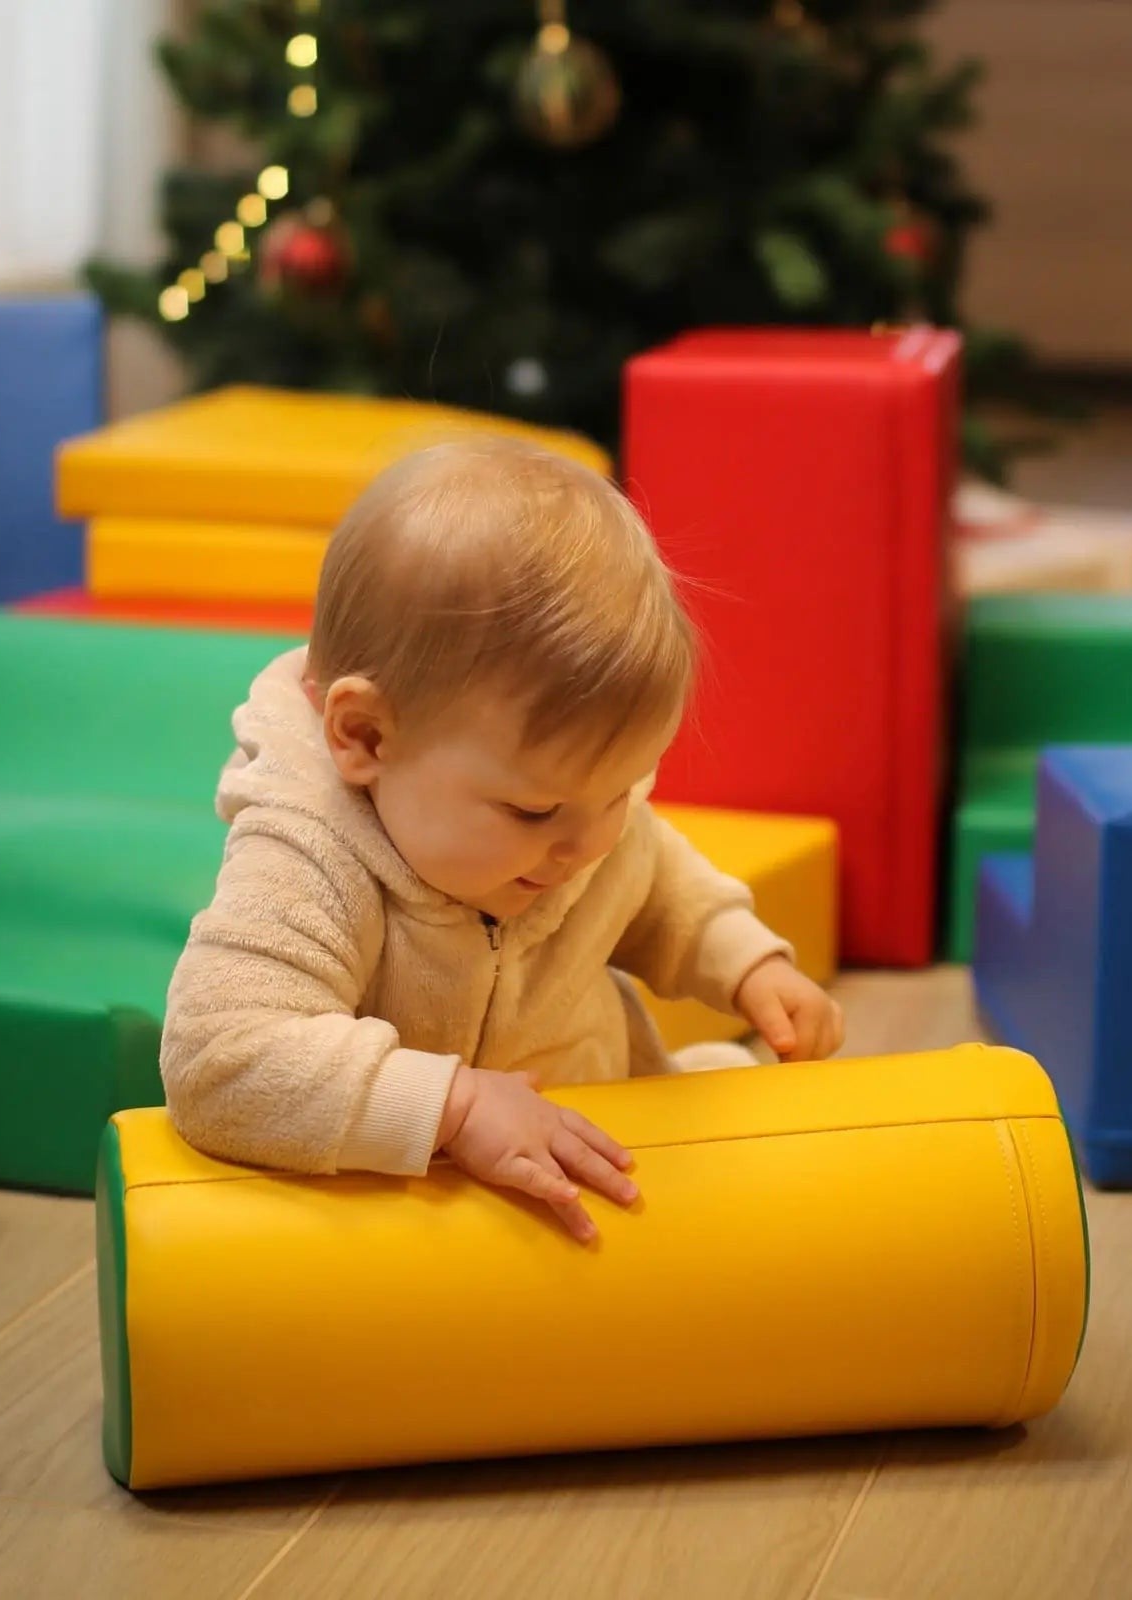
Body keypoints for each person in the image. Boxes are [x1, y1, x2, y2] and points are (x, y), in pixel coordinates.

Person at [162, 436, 843, 1242]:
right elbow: (221, 1055)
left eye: (621, 792)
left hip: (604, 1139)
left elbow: (654, 879)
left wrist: (741, 956)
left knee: (742, 1115)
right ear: (367, 738)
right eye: (531, 812)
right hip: (412, 1219)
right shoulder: (309, 853)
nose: (586, 844)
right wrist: (452, 1106)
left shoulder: (579, 818)